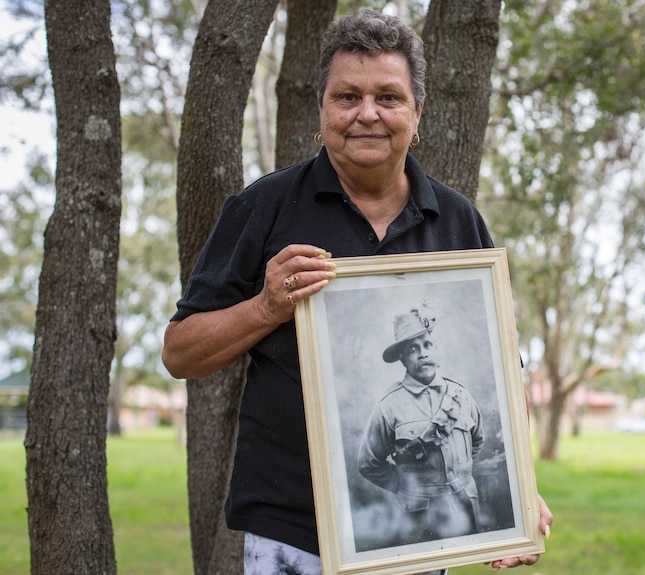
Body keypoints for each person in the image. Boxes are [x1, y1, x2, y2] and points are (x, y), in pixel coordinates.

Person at [161, 9, 551, 575]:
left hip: (421, 546)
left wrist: (520, 490)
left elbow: (503, 372)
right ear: (322, 109)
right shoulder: (261, 209)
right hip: (290, 540)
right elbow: (180, 353)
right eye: (347, 97)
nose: (367, 114)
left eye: (388, 98)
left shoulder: (458, 221)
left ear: (417, 114)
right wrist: (266, 306)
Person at [357, 304, 484, 547]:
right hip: (419, 515)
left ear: (436, 349)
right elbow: (368, 464)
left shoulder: (461, 394)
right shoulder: (388, 405)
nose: (422, 353)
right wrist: (408, 486)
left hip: (465, 503)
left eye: (427, 345)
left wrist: (459, 475)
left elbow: (477, 440)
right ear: (402, 359)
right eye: (412, 349)